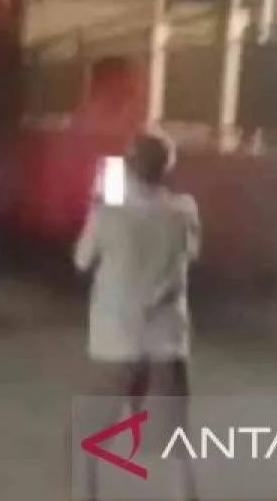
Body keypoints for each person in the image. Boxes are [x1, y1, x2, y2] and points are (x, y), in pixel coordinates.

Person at [71, 132, 199, 501]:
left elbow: (82, 260)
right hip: (167, 341)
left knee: (86, 441)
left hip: (115, 342)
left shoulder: (108, 213)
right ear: (167, 168)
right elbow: (191, 254)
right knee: (175, 447)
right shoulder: (184, 211)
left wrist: (97, 206)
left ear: (127, 168)